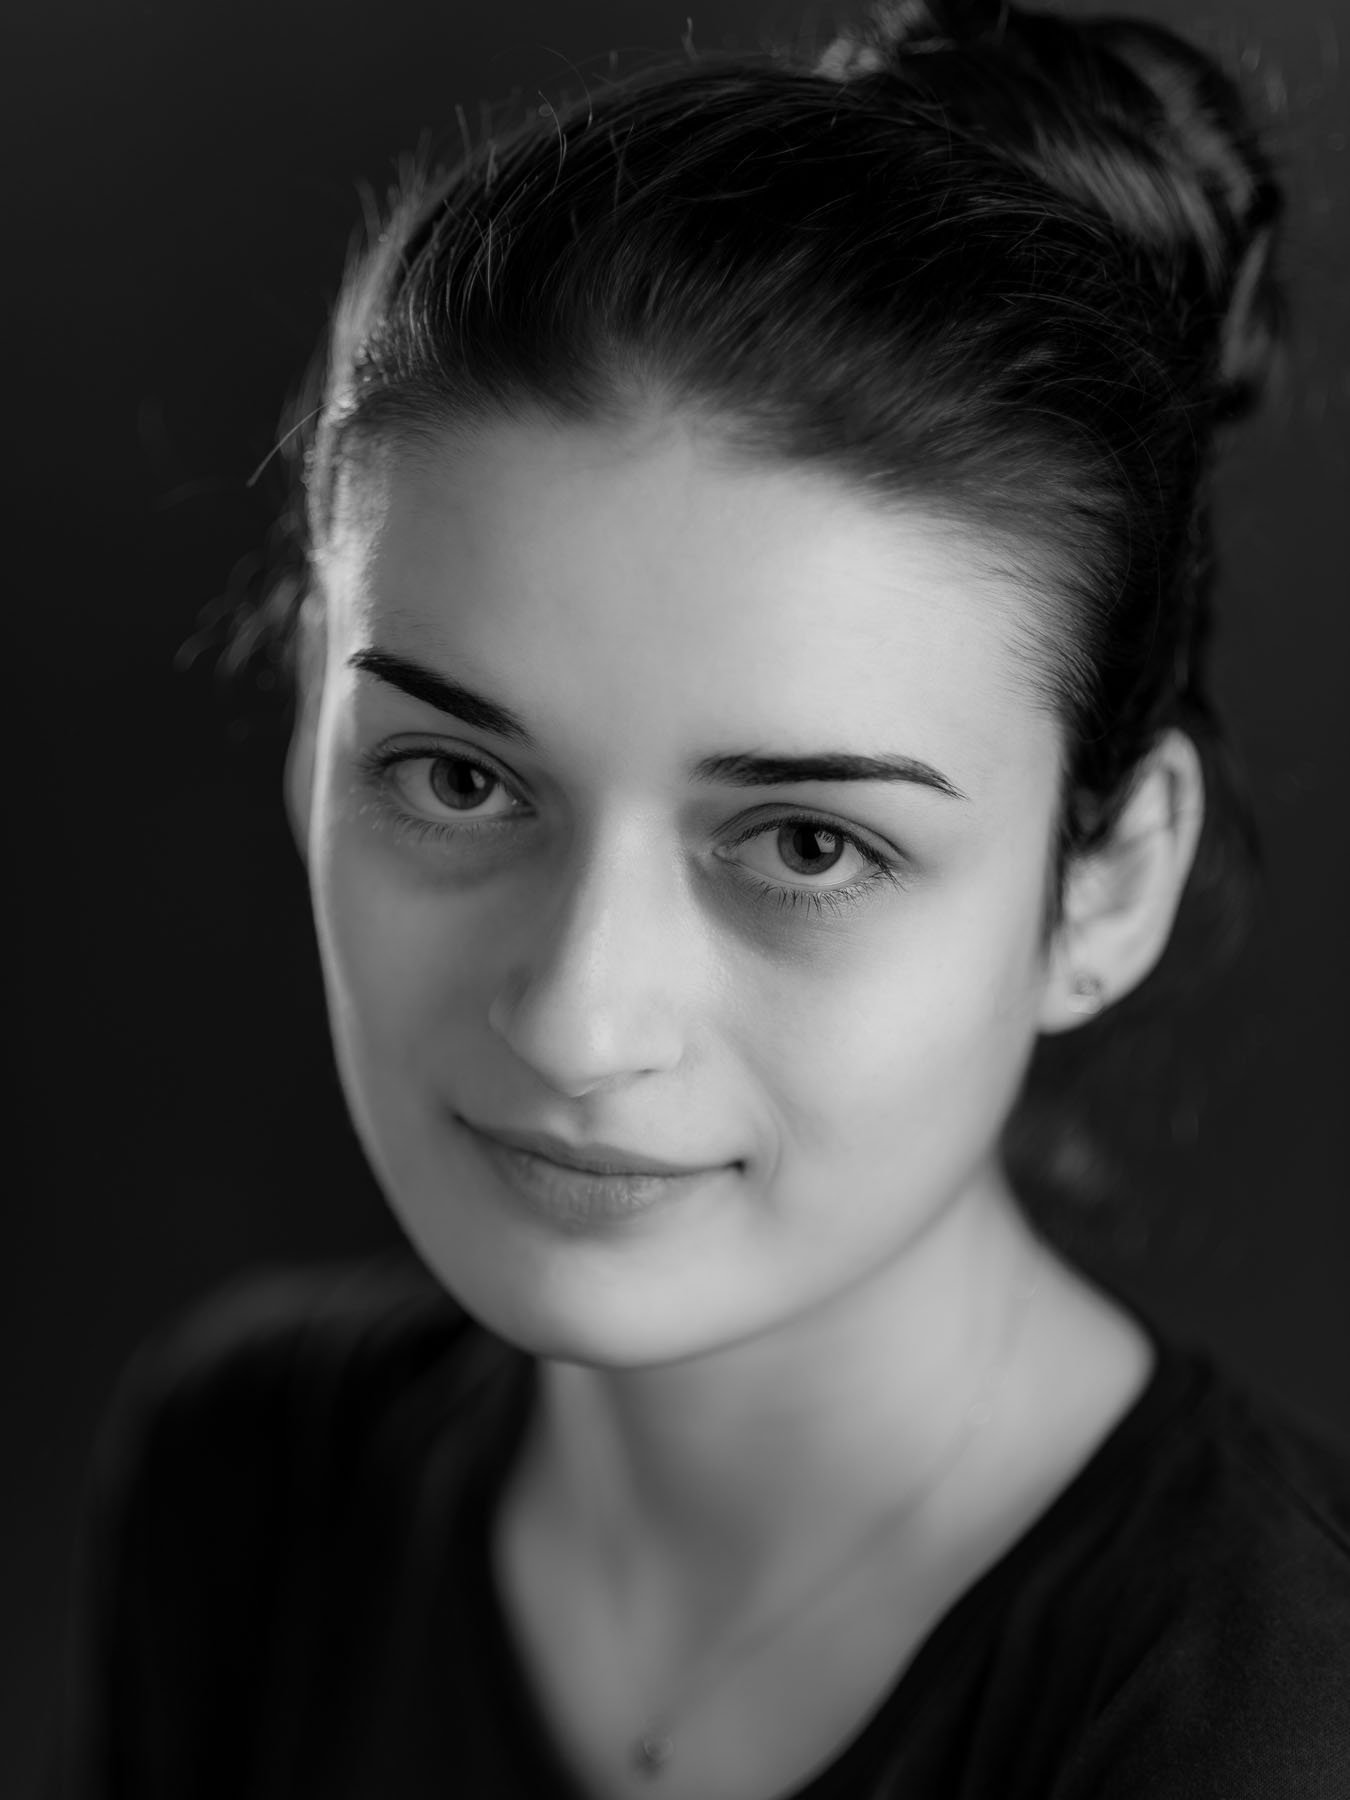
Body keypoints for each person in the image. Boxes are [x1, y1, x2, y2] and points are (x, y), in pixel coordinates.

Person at [48, 1, 1350, 1795]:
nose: (579, 1020)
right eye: (457, 777)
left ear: (1106, 887)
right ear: (307, 753)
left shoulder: (1274, 1719)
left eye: (809, 844)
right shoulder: (251, 1487)